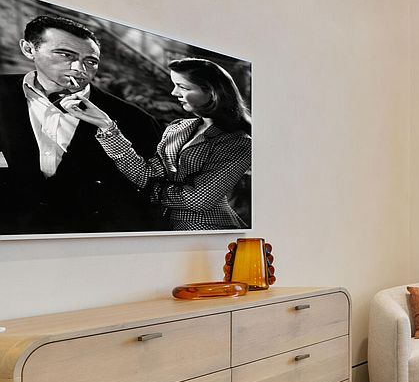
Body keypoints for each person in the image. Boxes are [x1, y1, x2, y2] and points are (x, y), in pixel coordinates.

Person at [0, 15, 160, 235]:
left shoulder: (135, 119)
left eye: (91, 61)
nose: (80, 68)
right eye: (65, 55)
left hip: (92, 245)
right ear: (29, 50)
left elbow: (151, 191)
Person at [63, 57, 252, 231]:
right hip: (163, 226)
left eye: (183, 87)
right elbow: (145, 175)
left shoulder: (238, 141)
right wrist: (106, 126)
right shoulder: (177, 128)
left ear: (212, 93)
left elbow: (199, 199)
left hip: (209, 230)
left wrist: (152, 192)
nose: (173, 92)